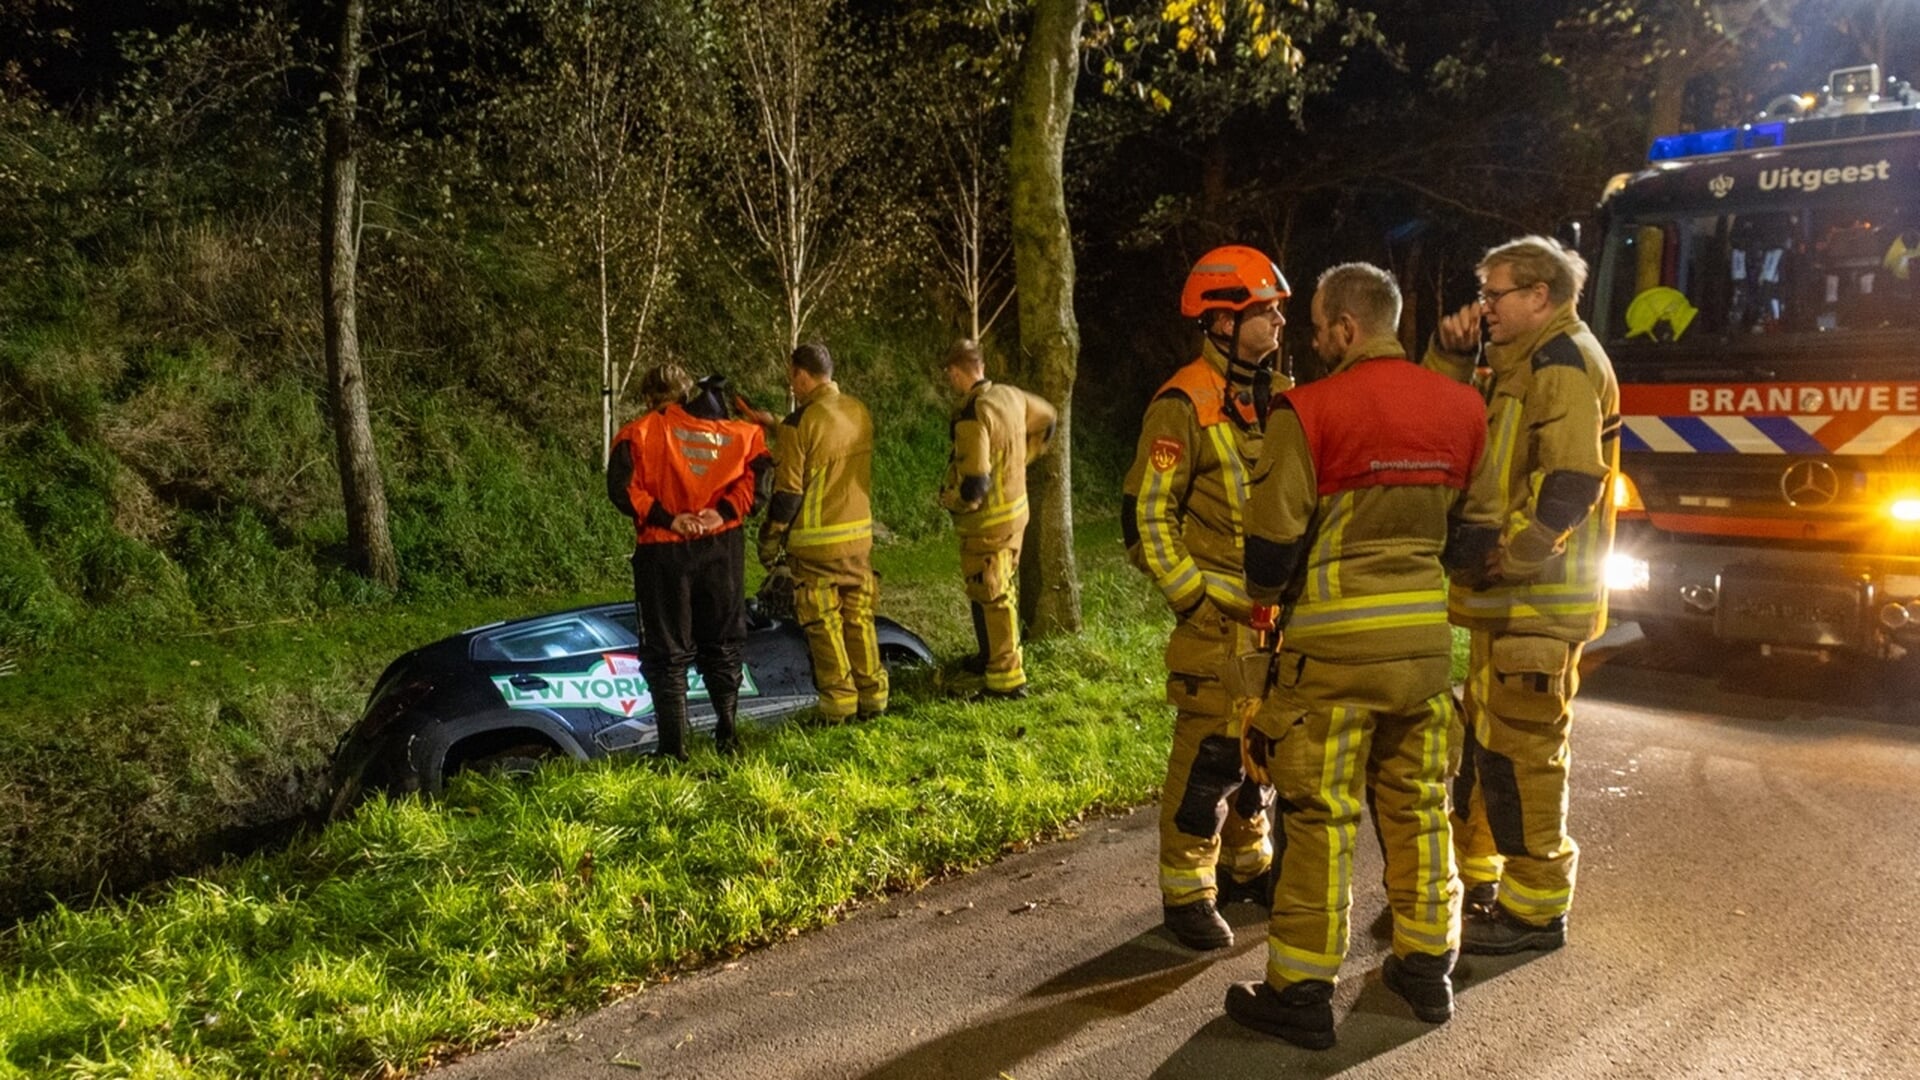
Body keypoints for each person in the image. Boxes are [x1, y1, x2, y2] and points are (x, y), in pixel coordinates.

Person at [1222, 263, 1494, 1047]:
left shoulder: (1306, 411)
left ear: (1345, 327)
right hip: (1421, 656)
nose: (1311, 339)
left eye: (1315, 325)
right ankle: (1425, 969)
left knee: (1319, 818)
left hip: (1332, 661)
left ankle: (1302, 993)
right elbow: (1473, 542)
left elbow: (1270, 555)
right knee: (1417, 810)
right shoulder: (1461, 406)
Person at [1425, 235, 1620, 954]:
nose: (1486, 308)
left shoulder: (1563, 364)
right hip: (1509, 605)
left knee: (1524, 755)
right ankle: (1486, 881)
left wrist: (1513, 554)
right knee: (1488, 744)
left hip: (1537, 601)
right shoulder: (1526, 361)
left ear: (1539, 295)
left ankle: (1536, 909)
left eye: (1496, 294)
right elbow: (1446, 421)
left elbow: (1572, 481)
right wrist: (1449, 357)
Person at [1121, 245, 1288, 952]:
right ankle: (1187, 893)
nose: (1279, 318)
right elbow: (1145, 517)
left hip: (1274, 628)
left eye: (1280, 307)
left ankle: (1250, 866)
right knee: (1206, 763)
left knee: (1262, 760)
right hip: (1217, 630)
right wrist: (1192, 600)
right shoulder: (1182, 403)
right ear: (1222, 322)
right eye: (1264, 310)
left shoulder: (1277, 394)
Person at [606, 362, 771, 760]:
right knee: (723, 643)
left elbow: (621, 490)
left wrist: (669, 517)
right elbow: (762, 476)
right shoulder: (740, 433)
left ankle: (673, 749)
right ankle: (728, 735)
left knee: (667, 652)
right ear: (686, 393)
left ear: (649, 398)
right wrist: (725, 512)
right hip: (721, 549)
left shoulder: (637, 434)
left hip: (663, 551)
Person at [757, 343, 887, 722]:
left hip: (817, 544)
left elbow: (788, 495)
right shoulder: (857, 411)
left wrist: (769, 538)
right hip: (859, 538)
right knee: (858, 617)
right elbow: (827, 442)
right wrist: (776, 427)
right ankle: (873, 696)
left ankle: (838, 704)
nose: (792, 386)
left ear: (801, 375)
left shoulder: (800, 424)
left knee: (823, 622)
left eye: (792, 378)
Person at [937, 339, 1057, 700]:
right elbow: (1048, 418)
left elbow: (975, 482)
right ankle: (991, 655)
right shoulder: (1010, 396)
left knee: (993, 593)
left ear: (957, 373)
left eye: (950, 376)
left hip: (988, 524)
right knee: (992, 588)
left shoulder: (973, 414)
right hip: (1016, 513)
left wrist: (953, 501)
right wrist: (1024, 458)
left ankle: (1006, 680)